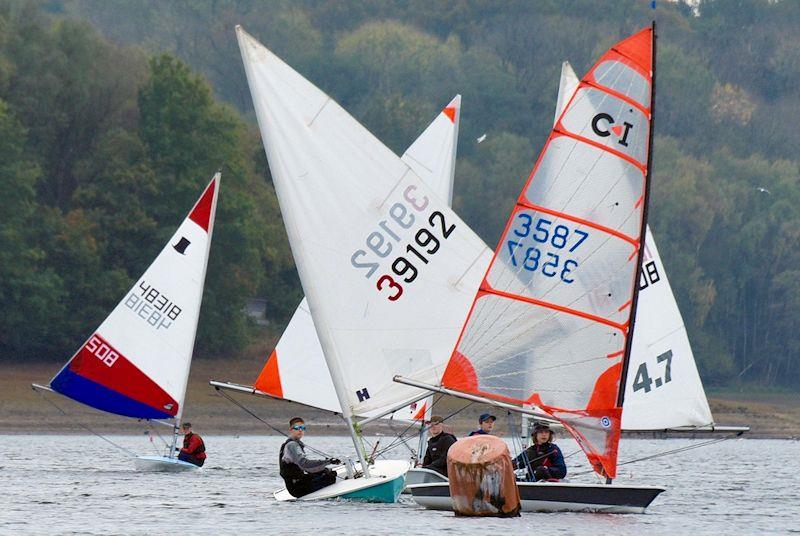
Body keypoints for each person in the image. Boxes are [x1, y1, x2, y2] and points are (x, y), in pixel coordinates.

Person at [279, 417, 341, 498]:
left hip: (294, 485)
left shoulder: (291, 444)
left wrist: (322, 468)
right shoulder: (292, 445)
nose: (300, 430)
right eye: (297, 428)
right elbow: (304, 464)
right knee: (330, 476)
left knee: (325, 471)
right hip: (298, 489)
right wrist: (328, 462)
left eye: (302, 428)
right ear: (291, 430)